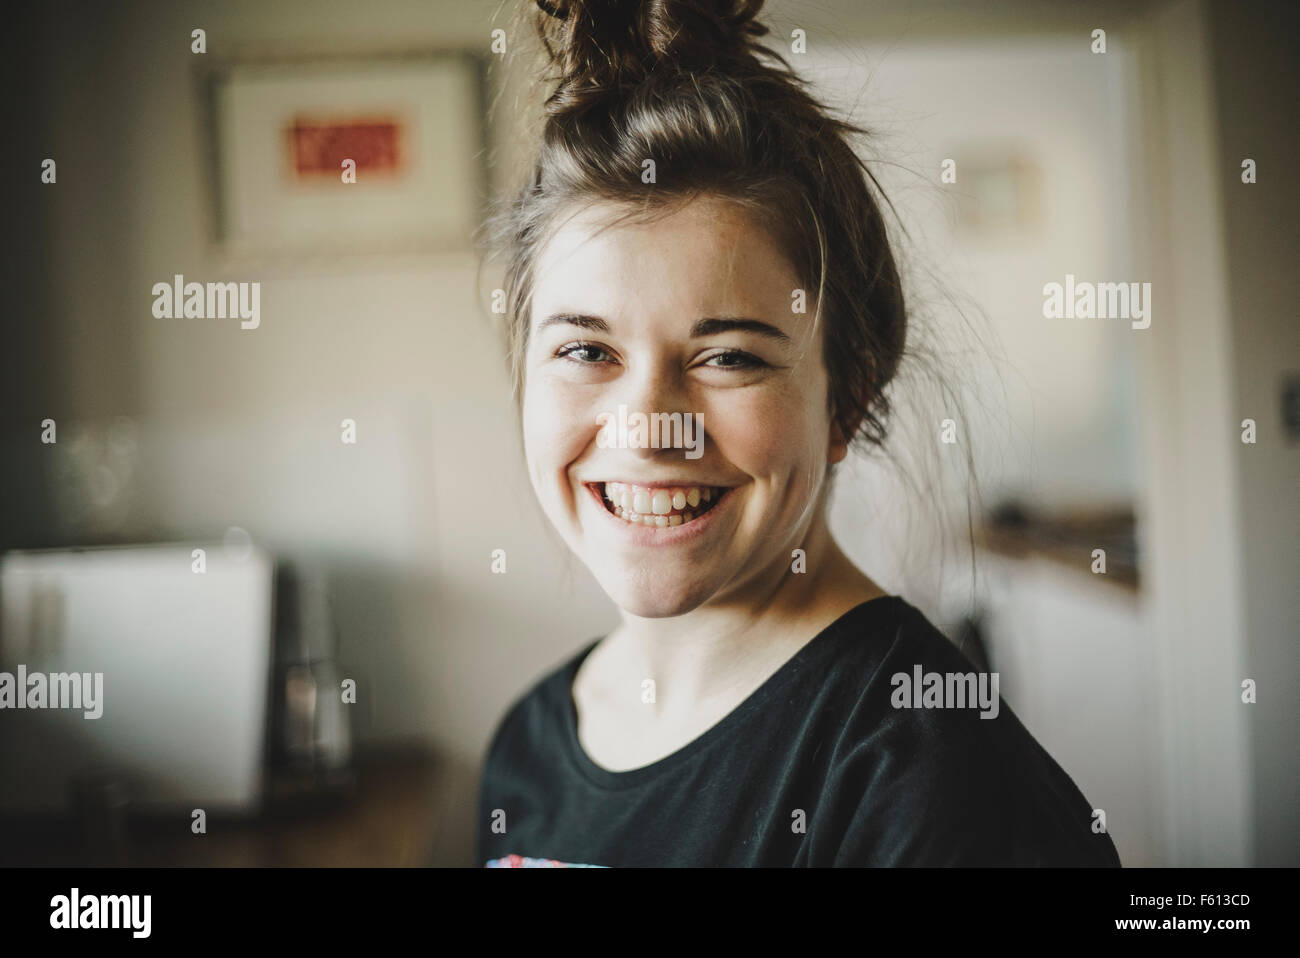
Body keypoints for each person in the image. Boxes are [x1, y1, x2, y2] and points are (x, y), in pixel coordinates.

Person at [474, 0, 1121, 867]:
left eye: (728, 357)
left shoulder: (932, 776)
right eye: (586, 348)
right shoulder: (526, 751)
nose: (648, 424)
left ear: (846, 399)